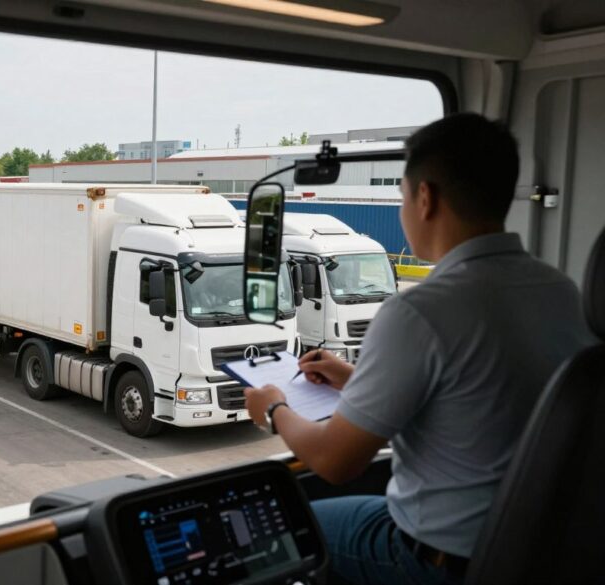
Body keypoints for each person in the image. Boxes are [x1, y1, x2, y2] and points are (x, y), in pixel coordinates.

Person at [245, 113, 595, 585]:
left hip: (440, 560)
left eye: (401, 196)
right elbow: (483, 395)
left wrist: (274, 410)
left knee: (285, 523)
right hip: (537, 551)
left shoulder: (421, 311)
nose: (401, 210)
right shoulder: (560, 289)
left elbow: (334, 462)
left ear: (424, 197)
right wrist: (353, 378)